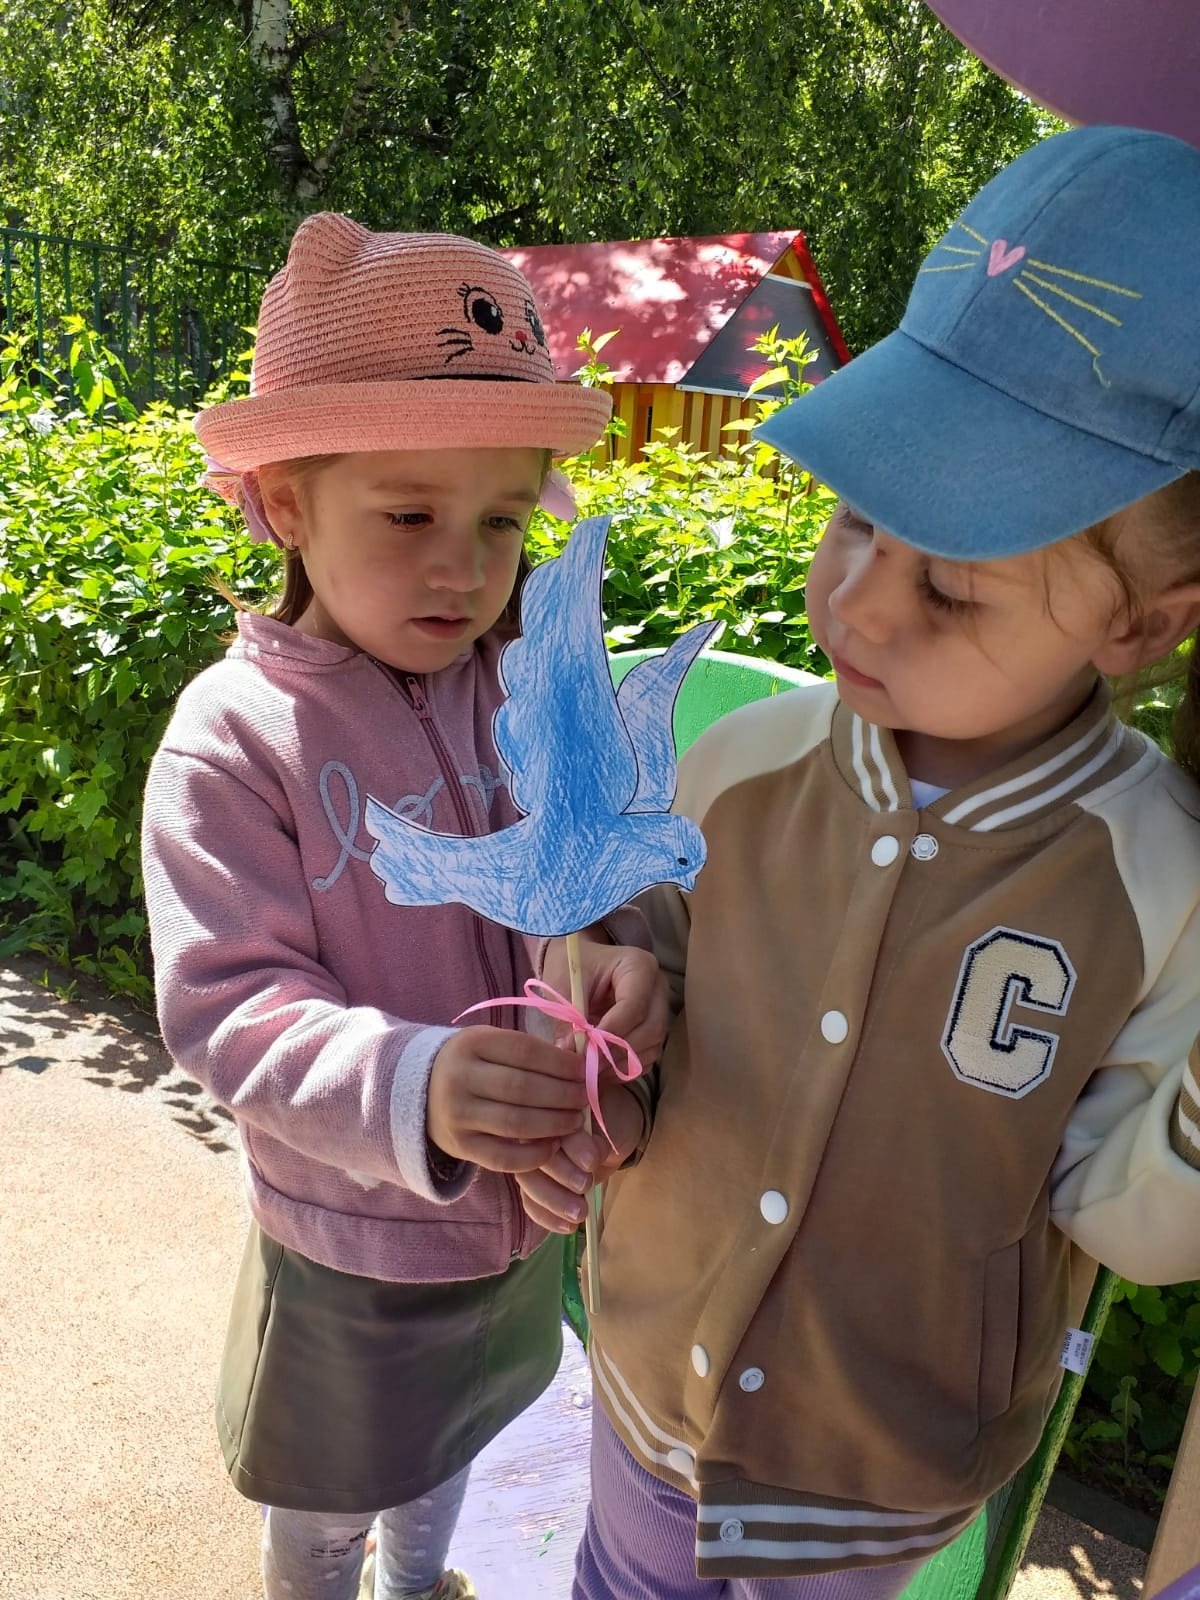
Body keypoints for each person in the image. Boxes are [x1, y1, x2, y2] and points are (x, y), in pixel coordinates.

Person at [516, 125, 1200, 1600]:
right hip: (645, 1385)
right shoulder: (743, 762)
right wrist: (602, 995)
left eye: (952, 585)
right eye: (857, 517)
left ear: (1144, 622)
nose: (861, 603)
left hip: (882, 1472)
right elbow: (631, 954)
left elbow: (1133, 1221)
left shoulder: (1160, 881)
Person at [140, 216, 664, 1600]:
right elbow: (227, 1008)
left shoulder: (522, 686)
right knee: (330, 1488)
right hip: (352, 1240)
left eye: (502, 522)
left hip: (514, 1218)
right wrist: (417, 1083)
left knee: (457, 1442)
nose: (465, 569)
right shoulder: (234, 739)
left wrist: (611, 962)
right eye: (410, 514)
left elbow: (584, 875)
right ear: (285, 503)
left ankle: (420, 1581)